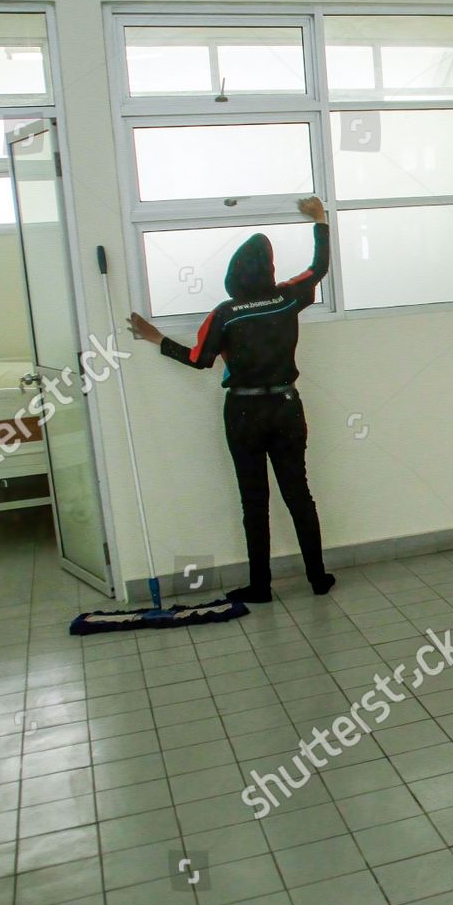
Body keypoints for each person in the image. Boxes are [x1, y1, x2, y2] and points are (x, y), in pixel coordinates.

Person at [128, 196, 335, 604]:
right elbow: (319, 269)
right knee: (299, 494)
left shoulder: (226, 313)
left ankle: (261, 586)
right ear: (269, 270)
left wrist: (156, 338)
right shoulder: (287, 297)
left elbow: (198, 359)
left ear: (233, 273)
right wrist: (320, 220)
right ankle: (317, 578)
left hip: (243, 412)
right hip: (287, 406)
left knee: (253, 500)